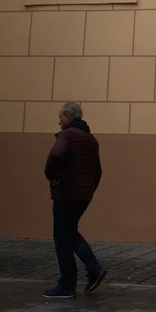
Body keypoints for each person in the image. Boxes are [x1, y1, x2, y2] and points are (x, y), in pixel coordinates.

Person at [43, 102, 108, 299]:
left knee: (62, 239)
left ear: (69, 117)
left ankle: (67, 286)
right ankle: (93, 269)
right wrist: (90, 190)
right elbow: (98, 171)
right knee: (69, 233)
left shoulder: (67, 135)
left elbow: (56, 154)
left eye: (61, 117)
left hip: (66, 194)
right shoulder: (90, 138)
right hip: (83, 196)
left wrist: (51, 176)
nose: (59, 120)